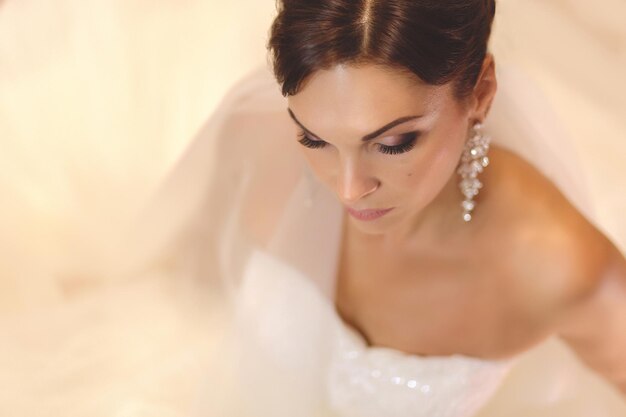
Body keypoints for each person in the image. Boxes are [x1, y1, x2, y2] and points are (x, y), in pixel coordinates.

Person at [125, 1, 626, 416]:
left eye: (394, 142)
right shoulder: (254, 140)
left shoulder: (559, 267)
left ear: (481, 92)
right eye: (313, 138)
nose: (347, 189)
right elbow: (187, 263)